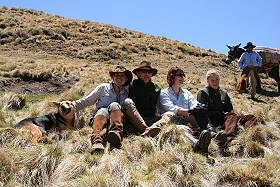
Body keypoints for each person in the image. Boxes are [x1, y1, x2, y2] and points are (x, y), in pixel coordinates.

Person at [158, 67, 225, 154]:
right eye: (179, 75)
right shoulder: (164, 93)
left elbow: (194, 103)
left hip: (187, 119)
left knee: (201, 111)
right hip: (173, 121)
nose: (182, 77)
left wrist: (199, 108)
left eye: (183, 75)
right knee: (182, 129)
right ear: (171, 77)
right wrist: (191, 111)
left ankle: (213, 135)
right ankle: (197, 144)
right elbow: (171, 109)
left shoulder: (186, 93)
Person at [74, 66, 133, 154]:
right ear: (112, 77)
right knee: (102, 110)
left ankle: (116, 135)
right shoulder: (103, 88)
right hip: (101, 119)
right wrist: (72, 106)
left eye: (122, 76)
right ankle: (97, 142)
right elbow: (87, 101)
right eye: (116, 75)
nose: (119, 78)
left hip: (118, 121)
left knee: (114, 105)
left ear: (126, 79)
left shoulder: (128, 91)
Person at [197, 69, 257, 147]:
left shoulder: (223, 92)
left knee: (251, 117)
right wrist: (211, 129)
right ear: (207, 81)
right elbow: (202, 113)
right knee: (232, 116)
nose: (215, 82)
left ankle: (246, 135)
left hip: (223, 118)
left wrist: (228, 115)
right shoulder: (203, 93)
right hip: (211, 120)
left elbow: (229, 109)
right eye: (212, 80)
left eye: (217, 79)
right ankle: (227, 139)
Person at [124, 61, 174, 137]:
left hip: (151, 119)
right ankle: (147, 131)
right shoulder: (130, 85)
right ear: (138, 73)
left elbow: (160, 106)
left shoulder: (157, 88)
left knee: (170, 114)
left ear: (152, 74)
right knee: (127, 102)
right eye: (143, 71)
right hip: (134, 120)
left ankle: (151, 129)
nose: (147, 74)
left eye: (149, 72)